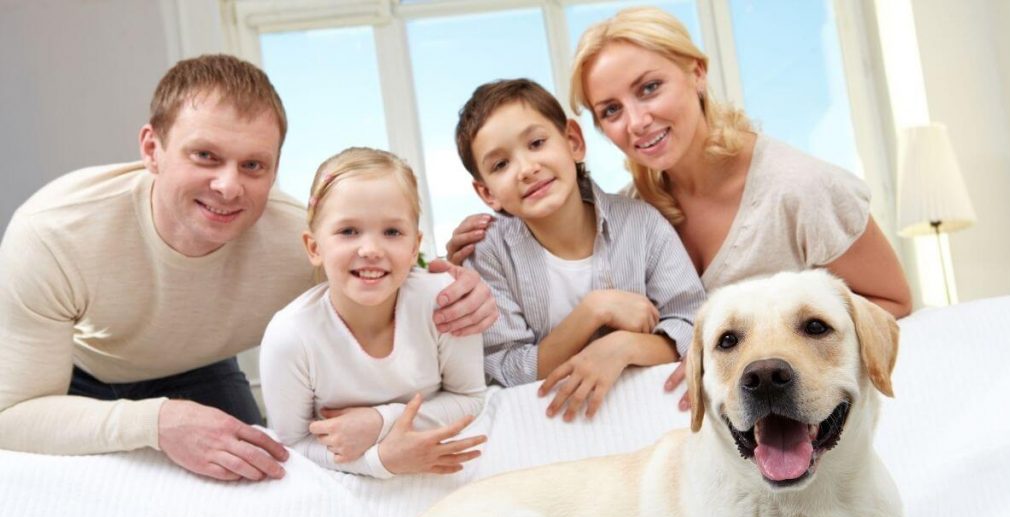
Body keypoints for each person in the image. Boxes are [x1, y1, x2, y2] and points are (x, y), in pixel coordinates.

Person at [0, 55, 496, 482]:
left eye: (253, 166)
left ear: (276, 169)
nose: (228, 186)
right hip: (79, 374)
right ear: (152, 149)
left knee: (263, 476)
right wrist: (157, 423)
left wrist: (450, 276)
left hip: (202, 368)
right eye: (205, 156)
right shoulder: (55, 232)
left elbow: (378, 250)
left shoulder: (295, 239)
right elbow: (10, 417)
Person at [446, 7, 912, 409]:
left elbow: (895, 304)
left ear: (697, 73)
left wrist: (791, 360)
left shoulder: (800, 189)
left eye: (649, 88)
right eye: (610, 110)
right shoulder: (635, 208)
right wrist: (470, 252)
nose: (636, 120)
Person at [456, 79, 705, 421]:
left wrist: (622, 347)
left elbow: (695, 326)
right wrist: (593, 310)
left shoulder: (642, 224)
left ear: (573, 141)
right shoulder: (487, 253)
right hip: (554, 428)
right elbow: (510, 372)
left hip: (648, 414)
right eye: (501, 165)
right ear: (487, 194)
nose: (527, 169)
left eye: (537, 143)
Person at [259, 148, 487, 478]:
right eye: (348, 231)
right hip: (342, 478)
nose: (371, 250)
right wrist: (380, 461)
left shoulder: (444, 302)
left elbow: (470, 398)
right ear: (314, 247)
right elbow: (291, 445)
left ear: (414, 248)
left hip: (439, 466)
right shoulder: (290, 336)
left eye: (392, 232)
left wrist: (379, 422)